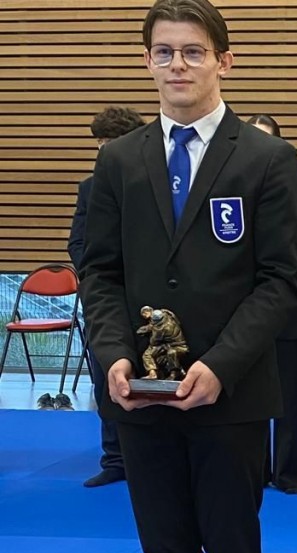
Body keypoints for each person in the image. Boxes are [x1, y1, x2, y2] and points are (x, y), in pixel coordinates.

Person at [78, 0, 297, 553]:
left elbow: (282, 280)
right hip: (139, 398)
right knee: (168, 552)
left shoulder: (266, 160)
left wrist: (218, 364)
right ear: (147, 62)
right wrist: (113, 353)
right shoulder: (119, 161)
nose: (178, 65)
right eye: (165, 52)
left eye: (194, 52)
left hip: (229, 394)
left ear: (224, 61)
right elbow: (99, 272)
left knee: (233, 552)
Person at [68, 105, 146, 487]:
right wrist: (103, 278)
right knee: (106, 381)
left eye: (112, 143)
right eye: (100, 144)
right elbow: (78, 242)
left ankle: (149, 456)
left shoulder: (152, 184)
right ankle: (114, 458)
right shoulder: (89, 187)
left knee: (150, 378)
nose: (105, 151)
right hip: (105, 299)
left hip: (148, 301)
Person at [246, 115, 297, 494]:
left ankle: (293, 472)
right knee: (250, 401)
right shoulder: (236, 184)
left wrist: (277, 297)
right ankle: (255, 470)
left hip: (294, 310)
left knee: (294, 399)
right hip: (246, 314)